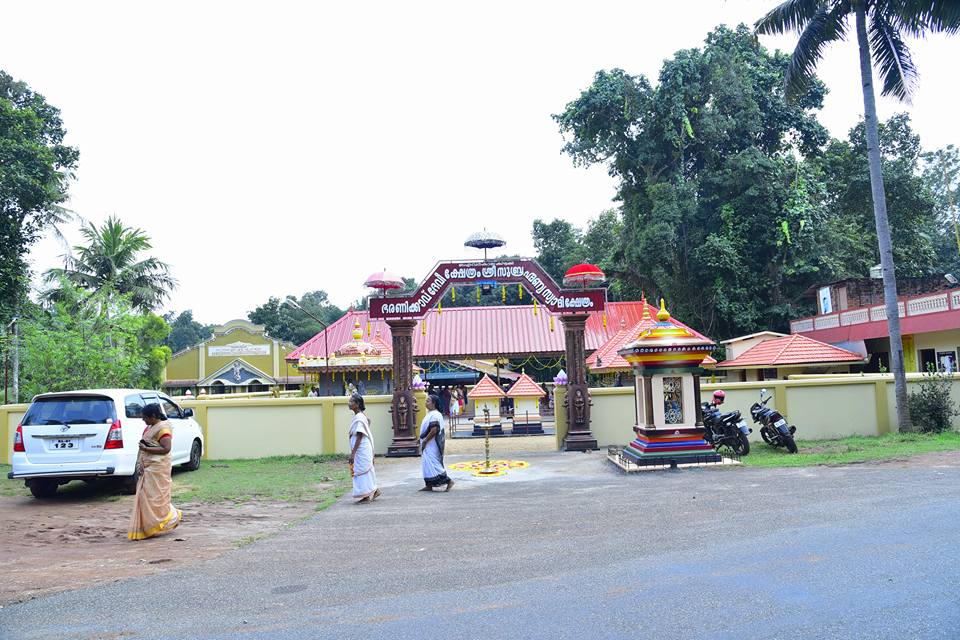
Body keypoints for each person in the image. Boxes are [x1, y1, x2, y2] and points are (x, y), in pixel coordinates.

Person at [128, 404, 182, 541]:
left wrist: (146, 449)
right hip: (147, 466)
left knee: (155, 497)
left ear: (153, 416)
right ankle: (147, 527)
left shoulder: (163, 429)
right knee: (144, 496)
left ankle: (170, 518)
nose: (143, 420)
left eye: (145, 417)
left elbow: (166, 448)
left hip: (157, 468)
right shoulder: (150, 427)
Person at [348, 393, 380, 503]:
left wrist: (353, 453)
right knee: (365, 468)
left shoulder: (360, 417)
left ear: (357, 404)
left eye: (351, 401)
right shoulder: (361, 416)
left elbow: (360, 435)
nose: (349, 403)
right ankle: (374, 490)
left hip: (361, 448)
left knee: (362, 469)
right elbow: (368, 421)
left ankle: (367, 494)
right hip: (362, 447)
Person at [419, 394, 454, 492]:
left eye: (428, 401)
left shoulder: (435, 415)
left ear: (434, 404)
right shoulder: (430, 414)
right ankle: (429, 485)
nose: (426, 402)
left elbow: (434, 430)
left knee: (434, 464)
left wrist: (425, 440)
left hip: (432, 443)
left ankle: (449, 481)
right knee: (427, 464)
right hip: (428, 443)